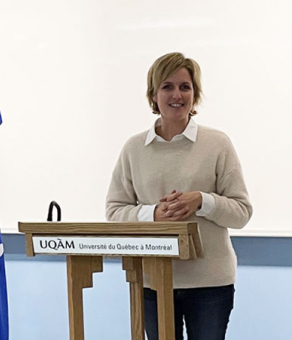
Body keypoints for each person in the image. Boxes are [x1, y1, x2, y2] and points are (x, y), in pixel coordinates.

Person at [105, 52, 253, 340]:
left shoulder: (217, 143)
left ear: (195, 94)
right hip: (152, 281)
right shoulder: (134, 148)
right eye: (167, 86)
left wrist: (202, 200)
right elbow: (114, 211)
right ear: (153, 94)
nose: (177, 95)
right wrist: (153, 214)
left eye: (185, 87)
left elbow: (241, 212)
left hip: (210, 283)